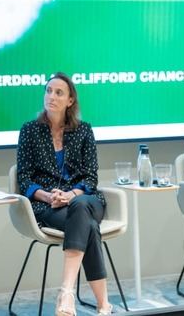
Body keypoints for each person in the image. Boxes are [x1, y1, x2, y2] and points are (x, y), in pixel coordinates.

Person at [16, 72, 111, 316]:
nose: (51, 96)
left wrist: (70, 195)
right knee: (87, 225)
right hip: (48, 205)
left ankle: (66, 291)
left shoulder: (84, 130)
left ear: (70, 100)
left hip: (86, 199)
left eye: (59, 92)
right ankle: (103, 305)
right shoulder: (29, 130)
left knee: (80, 206)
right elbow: (23, 179)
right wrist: (48, 197)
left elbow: (91, 178)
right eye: (48, 91)